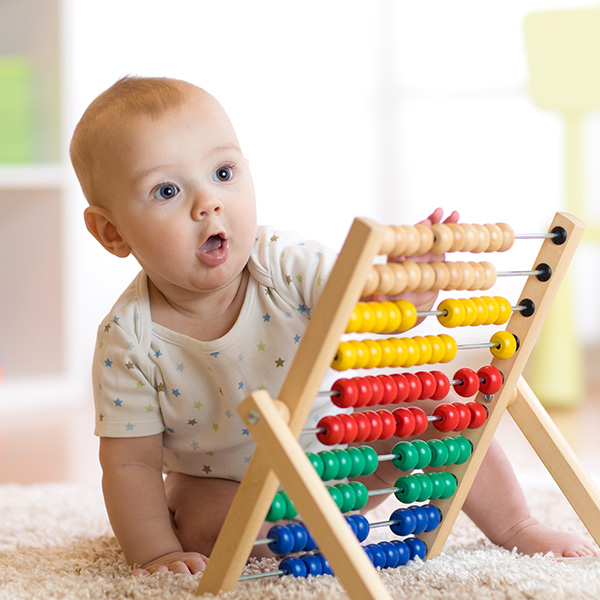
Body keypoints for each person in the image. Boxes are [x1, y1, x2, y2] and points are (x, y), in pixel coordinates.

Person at [70, 75, 596, 577]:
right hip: (233, 483)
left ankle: (516, 523)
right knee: (198, 524)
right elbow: (131, 467)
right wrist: (155, 551)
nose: (209, 202)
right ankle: (299, 534)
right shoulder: (128, 339)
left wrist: (409, 288)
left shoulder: (283, 262)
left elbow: (372, 304)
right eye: (166, 191)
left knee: (443, 410)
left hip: (342, 457)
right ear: (111, 231)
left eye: (224, 174)